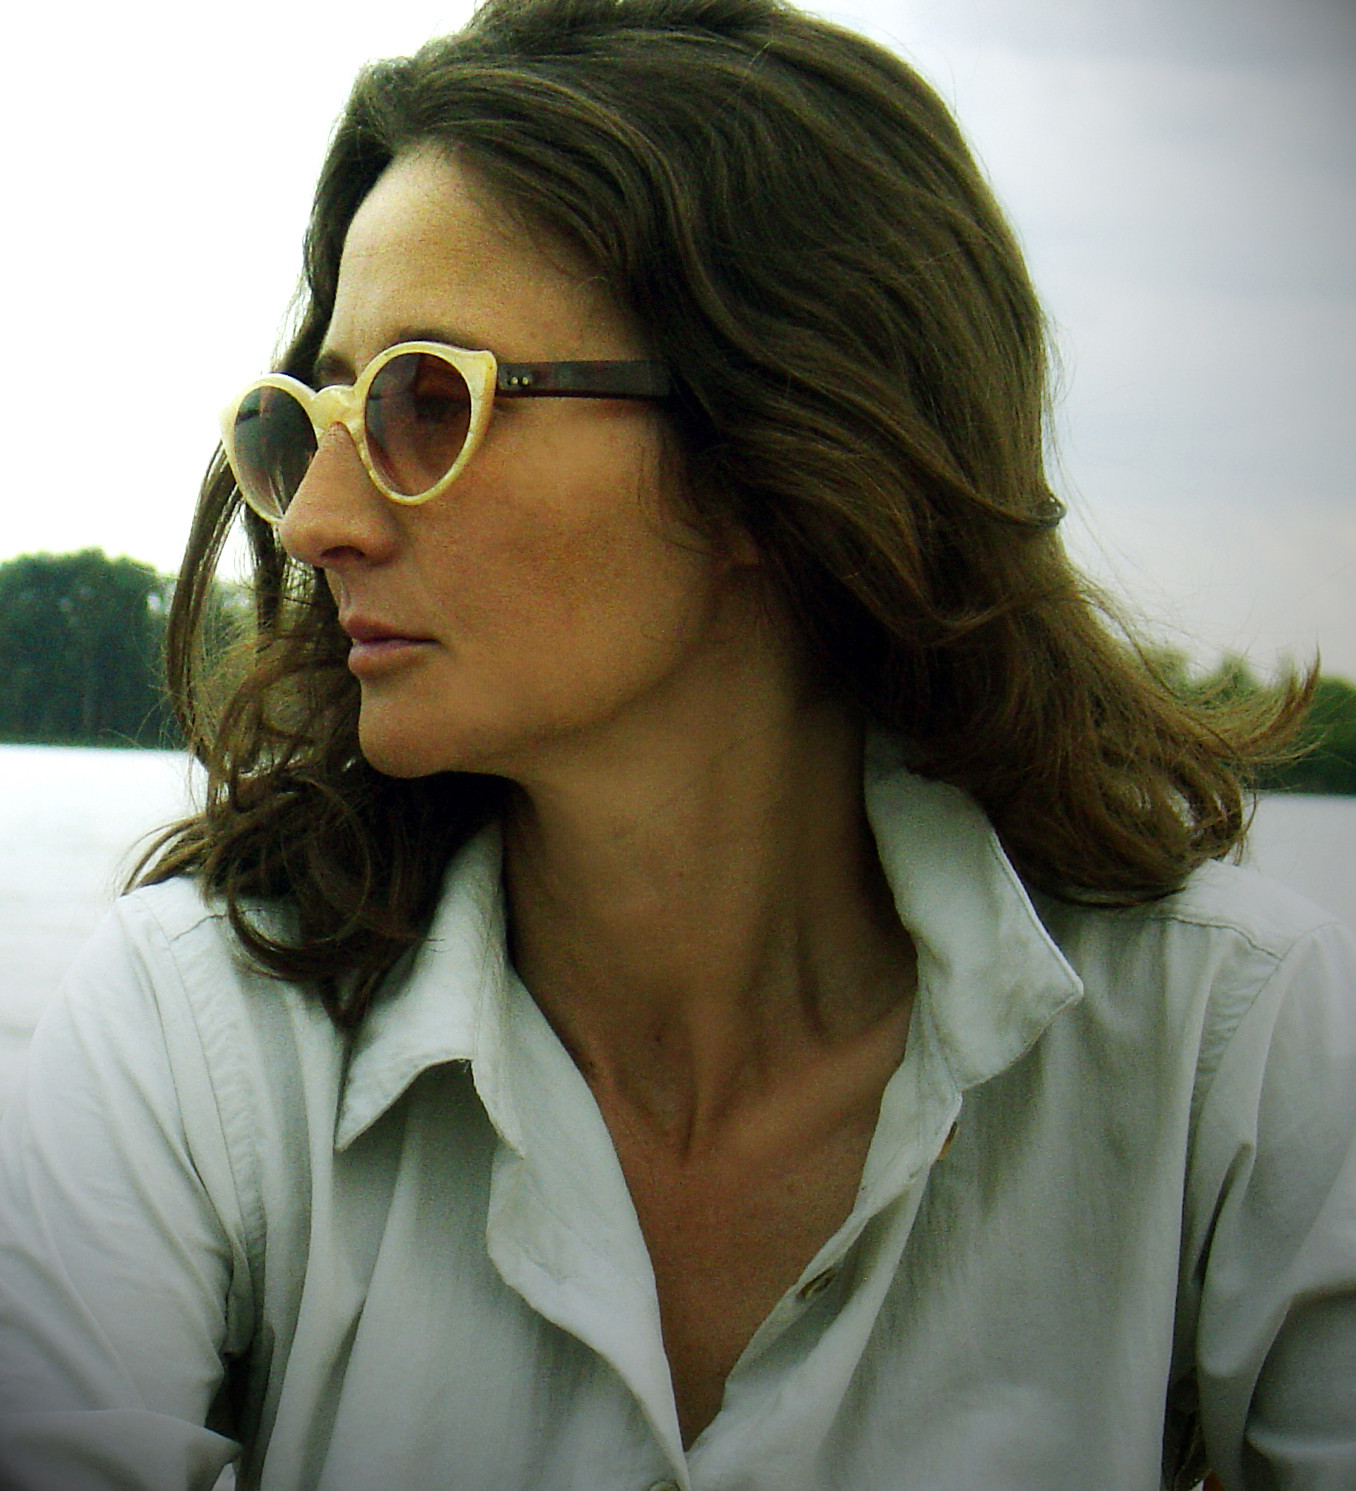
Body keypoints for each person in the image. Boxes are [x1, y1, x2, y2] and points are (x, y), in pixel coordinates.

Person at [1, 0, 1353, 1486]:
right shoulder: (199, 1041)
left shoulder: (1231, 1051)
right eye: (311, 419)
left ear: (776, 458)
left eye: (425, 401)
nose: (317, 522)